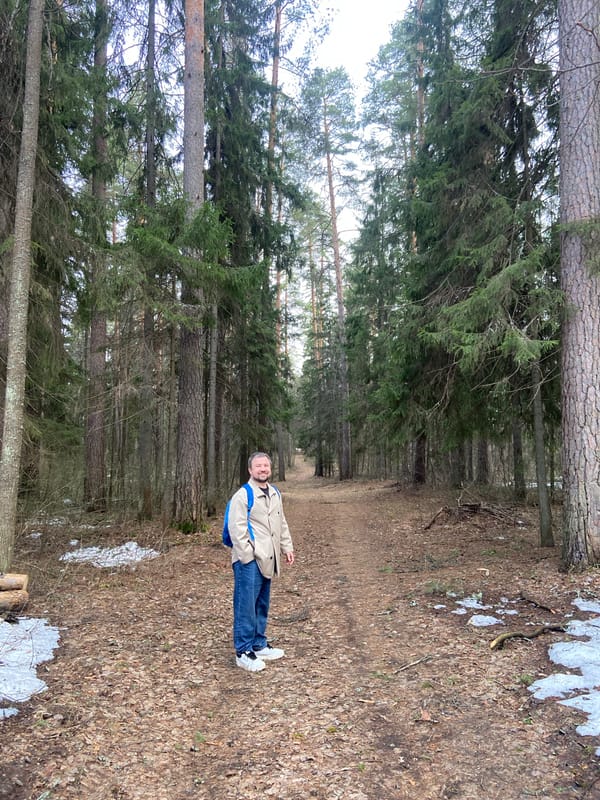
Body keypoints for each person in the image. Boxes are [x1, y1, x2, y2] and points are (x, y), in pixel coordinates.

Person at [227, 451, 295, 672]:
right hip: (250, 560)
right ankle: (243, 651)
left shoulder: (275, 493)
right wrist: (248, 556)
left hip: (269, 557)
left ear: (270, 468)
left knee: (261, 603)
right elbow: (236, 529)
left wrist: (287, 547)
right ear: (250, 470)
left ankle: (258, 643)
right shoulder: (243, 495)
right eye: (258, 466)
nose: (263, 469)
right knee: (245, 605)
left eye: (266, 466)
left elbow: (280, 522)